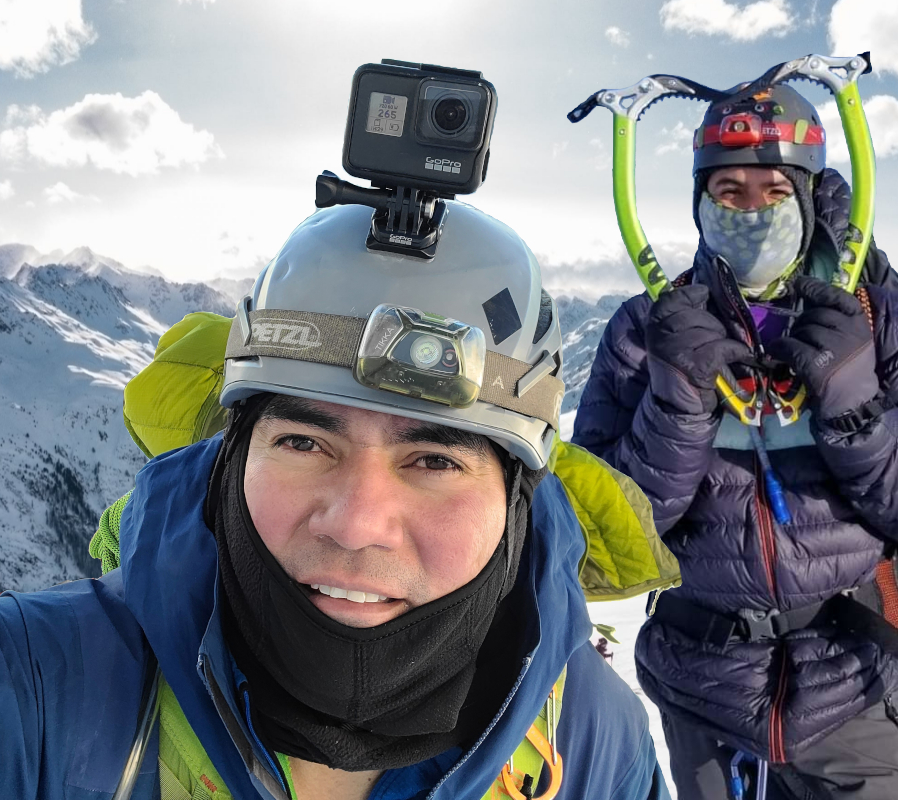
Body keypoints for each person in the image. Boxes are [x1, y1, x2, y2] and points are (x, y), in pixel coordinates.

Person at [0, 199, 680, 799]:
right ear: (232, 456)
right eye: (303, 443)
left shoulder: (598, 745)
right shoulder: (34, 682)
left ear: (517, 497)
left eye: (436, 459)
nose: (356, 526)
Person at [572, 84, 898, 799]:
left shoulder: (874, 320)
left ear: (805, 196)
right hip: (703, 691)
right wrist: (676, 404)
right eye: (728, 190)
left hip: (853, 689)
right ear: (699, 204)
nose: (751, 211)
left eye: (773, 189)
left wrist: (857, 411)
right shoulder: (647, 331)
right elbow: (599, 539)